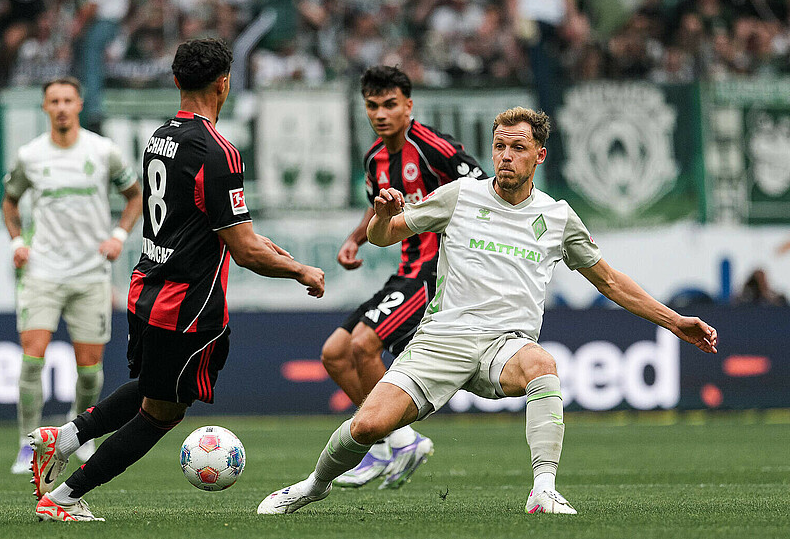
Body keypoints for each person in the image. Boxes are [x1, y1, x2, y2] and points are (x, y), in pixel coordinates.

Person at [258, 106, 718, 516]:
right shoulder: (461, 195)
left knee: (543, 364)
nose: (505, 156)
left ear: (539, 155)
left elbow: (611, 282)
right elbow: (384, 236)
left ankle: (543, 491)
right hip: (442, 339)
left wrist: (675, 320)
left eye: (518, 147)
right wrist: (381, 214)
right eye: (499, 146)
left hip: (506, 345)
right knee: (368, 424)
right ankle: (313, 486)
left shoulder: (557, 218)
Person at [28, 38, 326, 522]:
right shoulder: (219, 150)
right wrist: (300, 271)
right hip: (187, 303)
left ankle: (62, 438)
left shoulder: (159, 136)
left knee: (152, 385)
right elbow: (244, 249)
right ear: (224, 83)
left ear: (176, 81)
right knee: (164, 412)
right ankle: (64, 498)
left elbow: (215, 223)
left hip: (147, 289)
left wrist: (265, 245)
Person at [320, 65, 484, 489]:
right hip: (406, 269)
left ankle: (404, 440)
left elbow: (484, 190)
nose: (380, 113)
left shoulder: (435, 148)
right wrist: (355, 238)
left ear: (409, 106)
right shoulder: (375, 158)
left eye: (390, 104)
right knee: (335, 353)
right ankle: (381, 445)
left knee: (363, 344)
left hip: (435, 273)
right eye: (372, 106)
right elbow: (379, 208)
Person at [2, 76, 142, 474]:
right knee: (31, 361)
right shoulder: (31, 156)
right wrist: (17, 244)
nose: (61, 107)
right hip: (43, 270)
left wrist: (118, 235)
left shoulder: (103, 152)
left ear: (79, 104)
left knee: (89, 370)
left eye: (67, 100)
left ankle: (80, 436)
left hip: (90, 272)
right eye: (54, 101)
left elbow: (135, 196)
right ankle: (28, 446)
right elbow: (9, 204)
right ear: (45, 108)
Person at [73, 0, 130, 131]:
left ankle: (93, 111)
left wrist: (78, 25)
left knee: (91, 62)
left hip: (103, 23)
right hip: (118, 24)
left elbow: (93, 5)